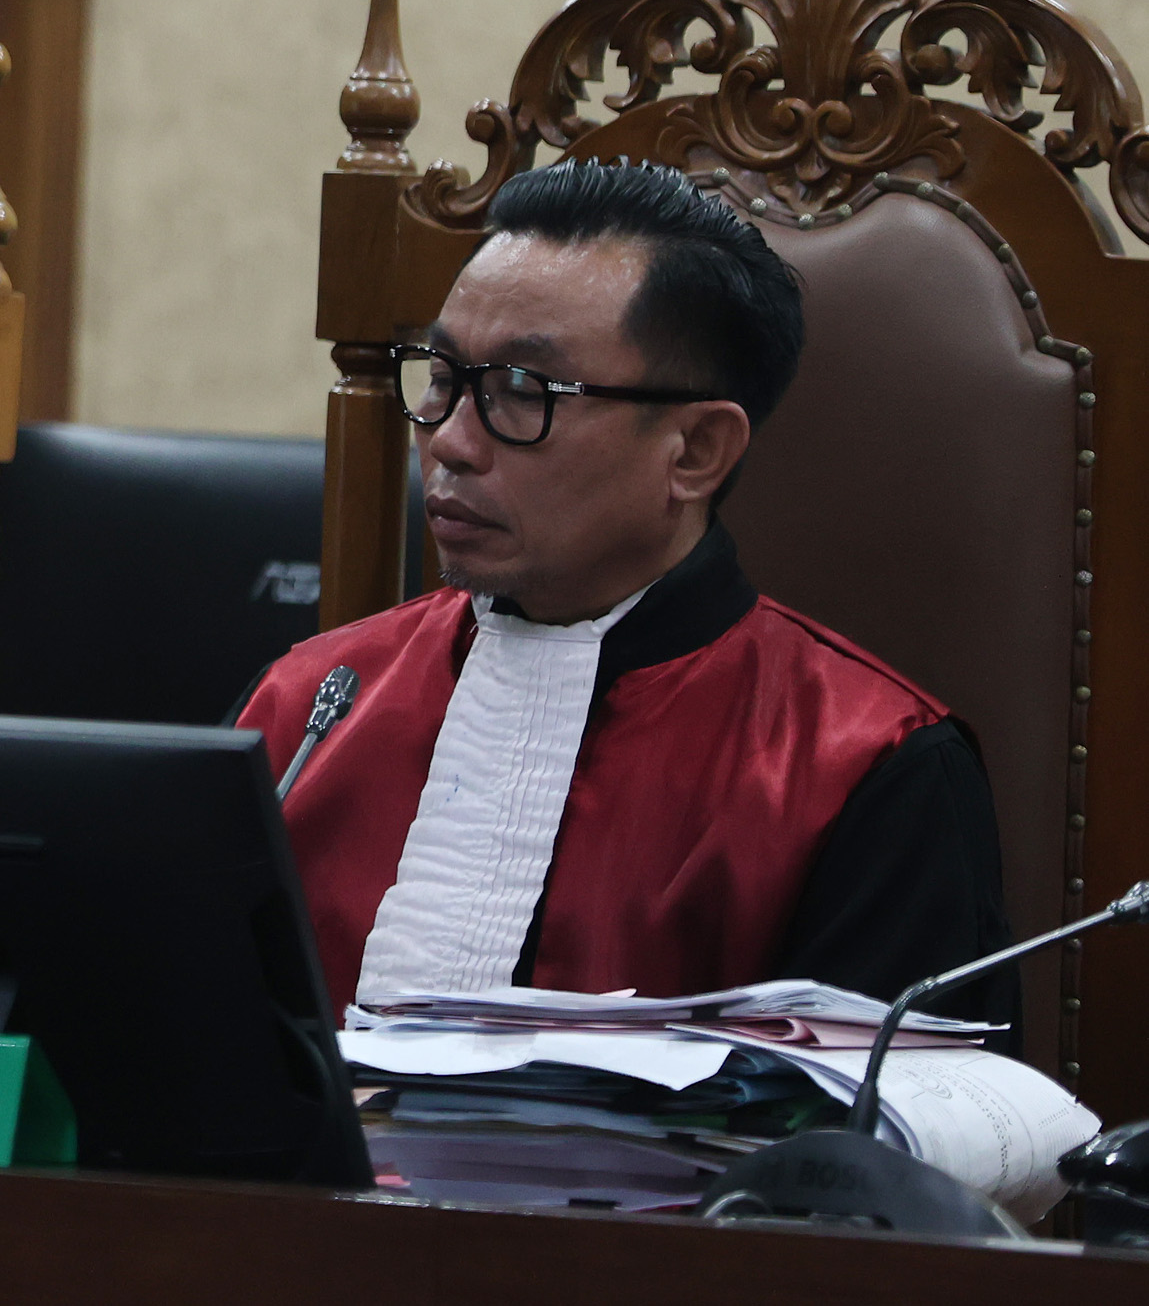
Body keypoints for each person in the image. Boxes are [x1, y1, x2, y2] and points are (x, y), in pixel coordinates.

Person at [248, 161, 1011, 1030]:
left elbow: (881, 1150)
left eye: (521, 392)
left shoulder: (869, 769)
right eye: (441, 377)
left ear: (693, 451)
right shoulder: (309, 705)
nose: (451, 444)